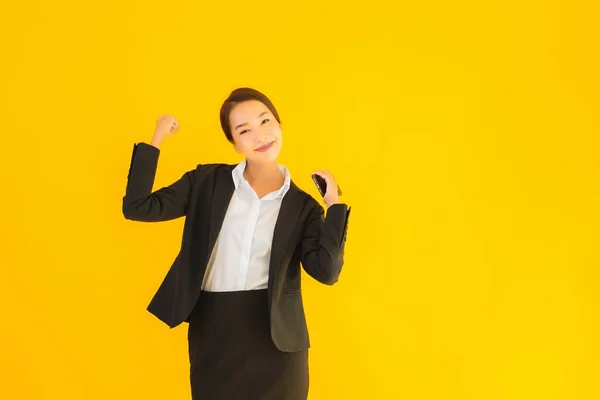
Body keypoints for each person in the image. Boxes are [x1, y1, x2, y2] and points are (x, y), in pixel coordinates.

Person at [122, 87, 351, 399]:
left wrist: (334, 205)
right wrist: (157, 137)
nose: (259, 136)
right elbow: (138, 207)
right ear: (234, 143)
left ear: (279, 124)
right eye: (244, 130)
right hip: (216, 332)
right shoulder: (206, 182)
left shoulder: (303, 207)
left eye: (265, 121)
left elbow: (326, 272)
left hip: (278, 341)